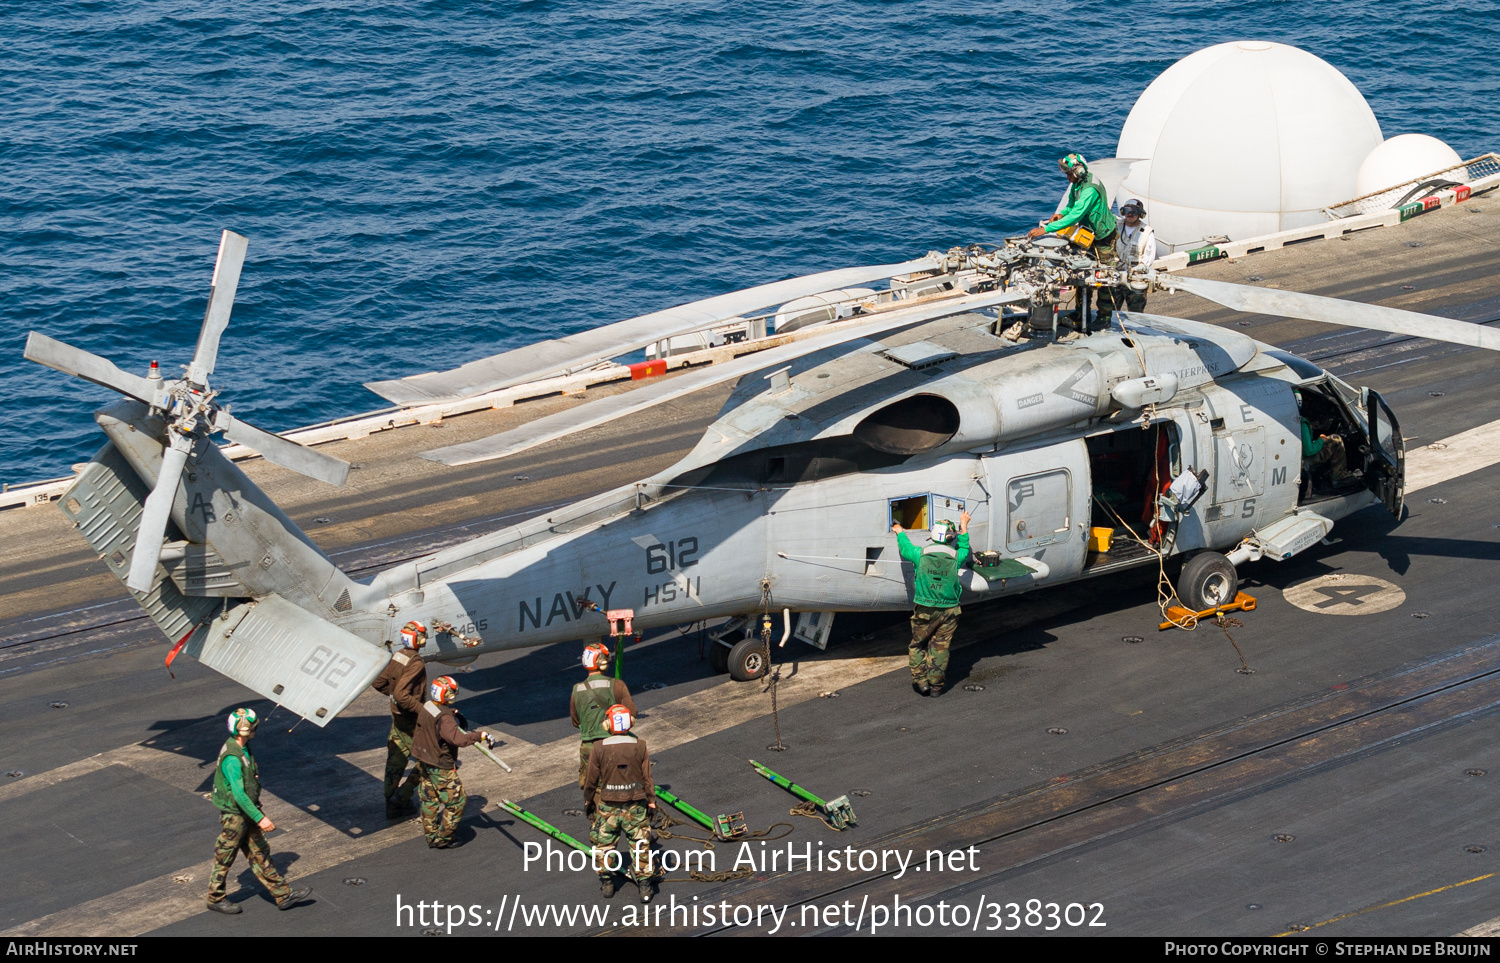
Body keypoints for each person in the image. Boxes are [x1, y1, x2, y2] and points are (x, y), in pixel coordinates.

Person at [206, 708, 312, 914]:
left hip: (246, 812)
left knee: (260, 853)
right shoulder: (233, 758)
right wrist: (260, 817)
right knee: (225, 856)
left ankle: (282, 895)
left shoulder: (243, 748)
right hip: (235, 816)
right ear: (249, 729)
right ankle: (215, 898)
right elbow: (238, 794)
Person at [1027, 153, 1119, 331]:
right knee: (1081, 273)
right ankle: (1081, 312)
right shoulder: (1077, 184)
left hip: (1104, 238)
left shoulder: (1090, 189)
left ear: (1079, 172)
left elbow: (1077, 214)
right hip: (1088, 236)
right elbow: (1071, 206)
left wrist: (1045, 229)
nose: (1068, 178)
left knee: (1104, 278)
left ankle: (1104, 317)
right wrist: (1061, 214)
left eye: (1069, 174)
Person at [581, 704, 658, 903]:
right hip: (635, 806)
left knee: (604, 845)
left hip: (608, 807)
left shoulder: (598, 748)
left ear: (607, 724)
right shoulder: (640, 745)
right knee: (640, 844)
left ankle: (607, 883)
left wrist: (588, 800)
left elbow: (591, 779)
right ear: (630, 723)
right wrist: (651, 801)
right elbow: (647, 778)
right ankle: (645, 887)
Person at [892, 511, 972, 696]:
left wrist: (900, 531)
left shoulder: (920, 554)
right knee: (940, 647)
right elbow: (965, 547)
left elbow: (905, 548)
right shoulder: (956, 557)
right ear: (950, 538)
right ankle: (936, 687)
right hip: (950, 609)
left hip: (925, 609)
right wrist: (964, 524)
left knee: (917, 645)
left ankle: (921, 683)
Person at [411, 676, 495, 849]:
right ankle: (444, 838)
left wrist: (450, 712)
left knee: (429, 799)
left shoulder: (428, 706)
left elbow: (436, 721)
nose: (452, 695)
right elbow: (459, 740)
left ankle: (432, 836)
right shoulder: (445, 718)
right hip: (441, 766)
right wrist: (480, 735)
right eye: (449, 692)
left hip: (425, 761)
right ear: (442, 693)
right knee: (457, 802)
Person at [370, 620, 428, 819]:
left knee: (396, 758)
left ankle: (390, 804)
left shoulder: (399, 655)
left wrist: (393, 695)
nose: (424, 639)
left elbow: (378, 682)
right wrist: (424, 711)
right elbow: (403, 695)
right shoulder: (416, 662)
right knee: (431, 758)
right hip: (412, 720)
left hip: (397, 717)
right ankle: (403, 796)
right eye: (422, 635)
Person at [570, 642, 637, 796]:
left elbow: (575, 721)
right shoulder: (617, 685)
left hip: (588, 748)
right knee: (621, 788)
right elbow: (631, 712)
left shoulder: (577, 689)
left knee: (593, 791)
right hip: (613, 745)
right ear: (601, 662)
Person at [1115, 199, 1158, 313]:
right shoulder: (1116, 226)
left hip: (1135, 277)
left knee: (1136, 313)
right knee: (1110, 309)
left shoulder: (1147, 232)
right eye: (1127, 210)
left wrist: (1140, 269)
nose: (1130, 214)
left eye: (1133, 211)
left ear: (1140, 214)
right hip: (1115, 274)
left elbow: (1149, 256)